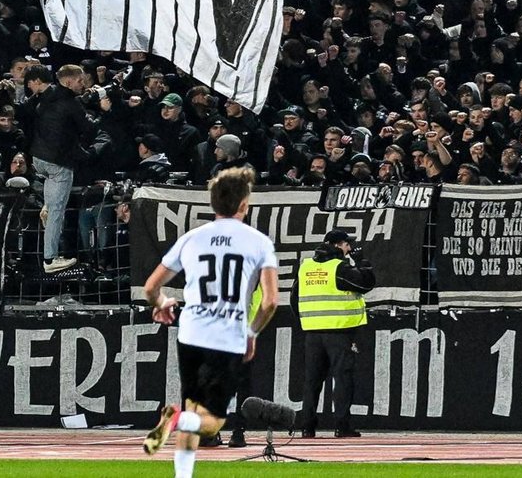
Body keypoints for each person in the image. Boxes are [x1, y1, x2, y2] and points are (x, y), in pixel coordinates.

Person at [141, 167, 280, 478]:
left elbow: (151, 288)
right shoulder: (258, 242)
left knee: (193, 407)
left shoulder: (192, 238)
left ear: (214, 203)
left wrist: (162, 303)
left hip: (190, 332)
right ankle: (175, 418)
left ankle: (182, 474)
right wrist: (252, 332)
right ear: (244, 204)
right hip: (227, 335)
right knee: (212, 422)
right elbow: (271, 301)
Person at [297, 228, 377, 438]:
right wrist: (361, 261)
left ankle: (307, 427)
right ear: (335, 245)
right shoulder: (338, 267)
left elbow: (294, 298)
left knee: (312, 381)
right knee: (342, 378)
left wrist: (308, 320)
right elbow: (367, 282)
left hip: (313, 332)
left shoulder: (306, 267)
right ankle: (342, 426)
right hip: (340, 331)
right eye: (346, 244)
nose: (349, 248)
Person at [24, 63, 94, 272]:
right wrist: (99, 115)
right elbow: (88, 129)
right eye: (80, 81)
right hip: (58, 163)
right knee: (58, 211)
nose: (84, 84)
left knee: (52, 204)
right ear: (69, 81)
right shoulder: (70, 102)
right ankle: (50, 259)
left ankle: (46, 206)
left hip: (39, 159)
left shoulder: (44, 96)